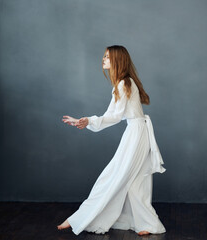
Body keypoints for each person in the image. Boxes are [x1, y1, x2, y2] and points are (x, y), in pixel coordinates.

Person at [57, 45, 166, 236]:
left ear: (117, 60)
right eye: (104, 56)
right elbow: (112, 115)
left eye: (107, 57)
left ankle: (79, 218)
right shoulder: (125, 83)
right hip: (137, 132)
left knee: (112, 178)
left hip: (136, 134)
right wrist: (87, 121)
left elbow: (113, 117)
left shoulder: (124, 83)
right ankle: (148, 224)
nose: (103, 59)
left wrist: (88, 120)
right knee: (134, 183)